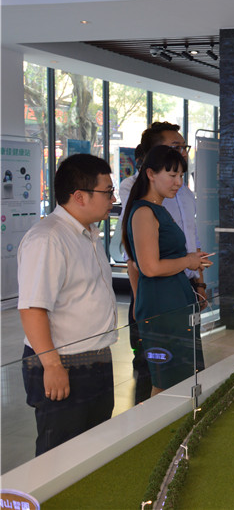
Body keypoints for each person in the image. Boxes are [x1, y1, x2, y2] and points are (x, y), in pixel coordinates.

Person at [18, 154, 118, 455]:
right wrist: (52, 365)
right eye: (107, 192)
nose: (113, 200)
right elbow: (33, 309)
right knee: (60, 454)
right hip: (64, 362)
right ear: (79, 196)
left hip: (95, 357)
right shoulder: (48, 239)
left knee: (93, 450)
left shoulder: (87, 234)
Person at [120, 122, 206, 403]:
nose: (178, 182)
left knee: (184, 374)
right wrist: (188, 261)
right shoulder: (144, 211)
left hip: (176, 296)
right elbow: (149, 267)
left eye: (180, 175)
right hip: (161, 301)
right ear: (150, 173)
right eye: (171, 175)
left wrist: (195, 273)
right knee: (164, 379)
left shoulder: (158, 208)